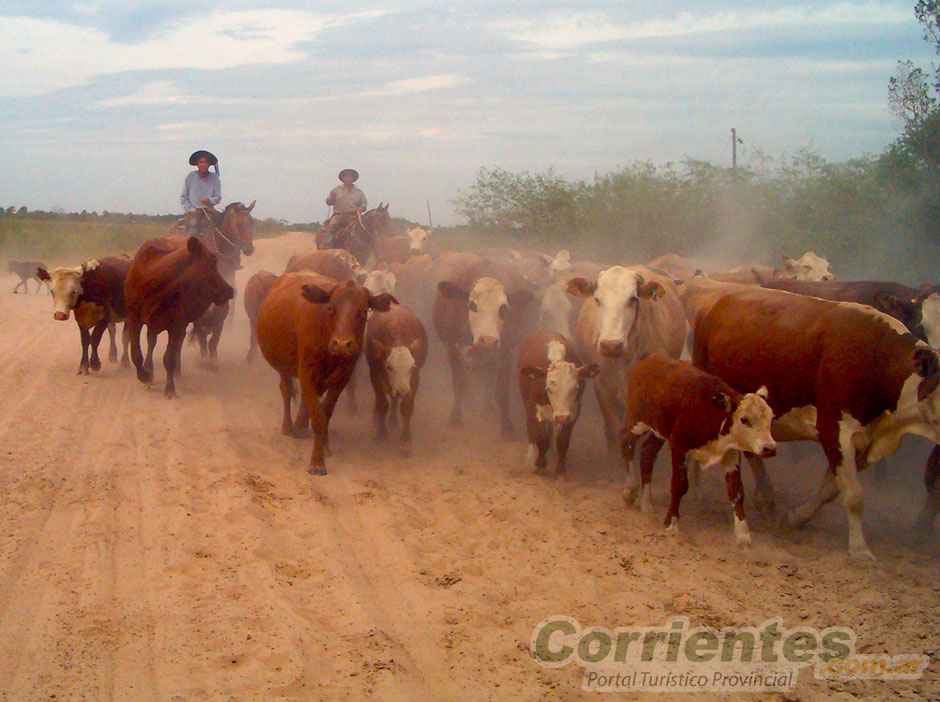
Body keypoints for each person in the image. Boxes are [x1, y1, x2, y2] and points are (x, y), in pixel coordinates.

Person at [181, 150, 221, 235]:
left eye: (206, 162)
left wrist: (209, 200)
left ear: (209, 164)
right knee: (193, 229)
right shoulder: (190, 177)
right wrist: (191, 210)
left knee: (223, 225)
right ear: (197, 164)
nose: (203, 164)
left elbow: (218, 197)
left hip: (209, 211)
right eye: (201, 162)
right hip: (194, 211)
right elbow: (184, 198)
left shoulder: (215, 178)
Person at [323, 168, 367, 248]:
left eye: (350, 177)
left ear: (353, 179)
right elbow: (329, 203)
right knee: (331, 229)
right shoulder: (336, 190)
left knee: (367, 229)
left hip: (354, 216)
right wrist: (331, 198)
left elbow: (364, 204)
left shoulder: (359, 191)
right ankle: (327, 247)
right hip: (339, 215)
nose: (348, 179)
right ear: (343, 179)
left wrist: (360, 209)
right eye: (346, 177)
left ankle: (373, 251)